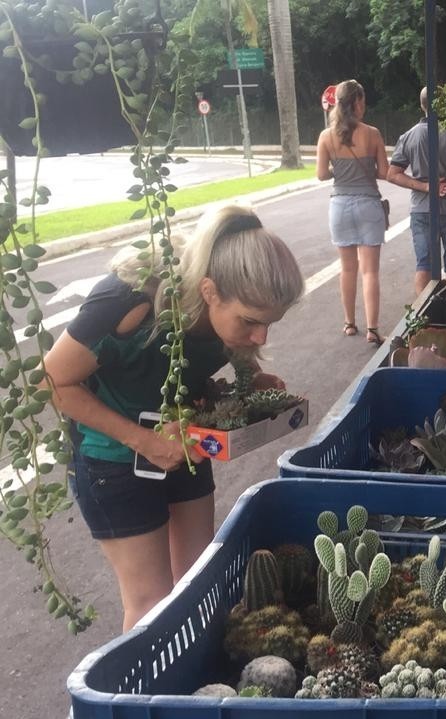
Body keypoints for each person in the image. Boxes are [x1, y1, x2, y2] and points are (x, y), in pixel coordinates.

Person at [42, 205, 304, 632]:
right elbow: (52, 382)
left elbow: (217, 353)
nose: (261, 337)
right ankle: (141, 699)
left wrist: (252, 379)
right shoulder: (131, 301)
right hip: (113, 459)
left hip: (184, 446)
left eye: (270, 324)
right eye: (251, 322)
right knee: (151, 602)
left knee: (198, 580)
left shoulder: (227, 312)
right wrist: (145, 441)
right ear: (208, 290)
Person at [388, 86, 446, 295]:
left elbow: (393, 174)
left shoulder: (408, 136)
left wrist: (426, 187)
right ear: (443, 105)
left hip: (422, 210)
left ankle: (423, 321)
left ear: (422, 105)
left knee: (425, 264)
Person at [316, 79, 389, 346]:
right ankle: (373, 329)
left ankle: (349, 323)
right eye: (363, 100)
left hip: (340, 206)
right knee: (370, 272)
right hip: (369, 205)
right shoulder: (373, 134)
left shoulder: (326, 136)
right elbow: (383, 172)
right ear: (357, 102)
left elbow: (322, 174)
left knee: (347, 269)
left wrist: (340, 169)